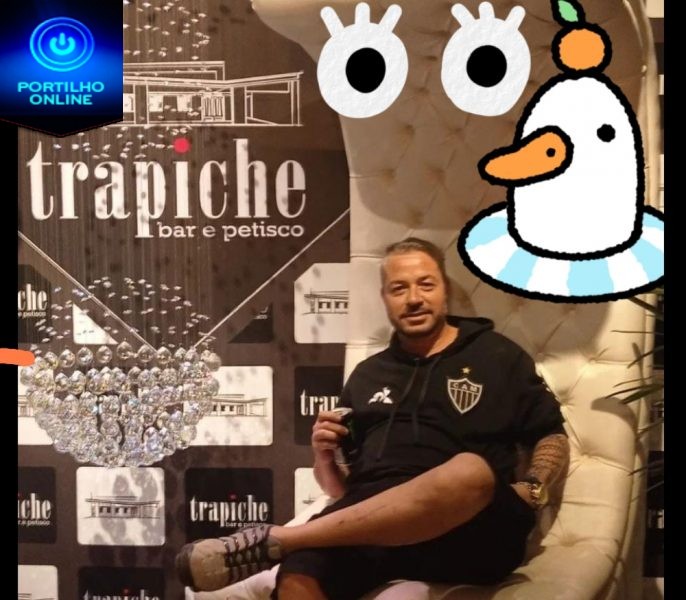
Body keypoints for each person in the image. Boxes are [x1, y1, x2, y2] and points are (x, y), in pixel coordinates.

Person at [176, 237, 569, 600]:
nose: (413, 299)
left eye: (426, 285)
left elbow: (551, 434)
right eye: (399, 288)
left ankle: (281, 539)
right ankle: (290, 545)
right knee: (300, 572)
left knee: (469, 471)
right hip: (377, 526)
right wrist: (324, 456)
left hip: (471, 528)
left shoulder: (497, 355)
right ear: (384, 298)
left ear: (445, 291)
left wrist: (535, 488)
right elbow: (342, 490)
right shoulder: (368, 374)